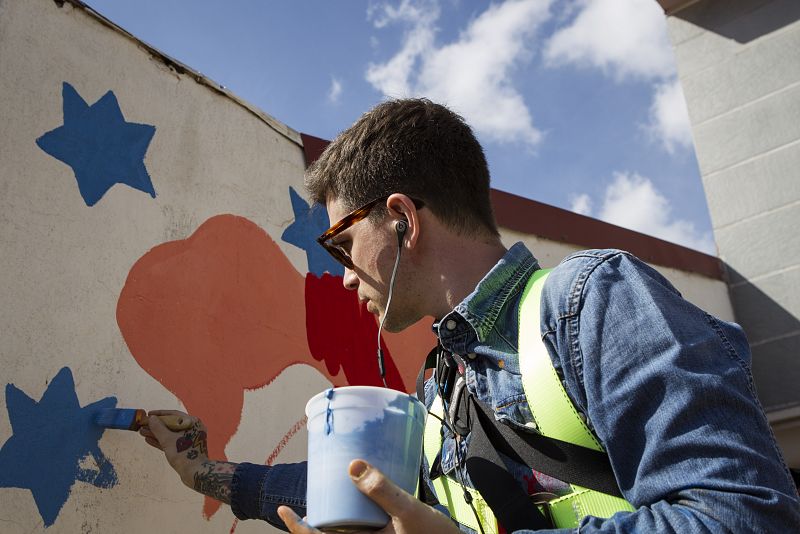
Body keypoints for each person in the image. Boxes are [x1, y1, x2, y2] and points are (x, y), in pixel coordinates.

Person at [141, 98, 800, 533]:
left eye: (341, 242)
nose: (342, 274)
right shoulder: (439, 389)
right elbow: (357, 490)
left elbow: (741, 515)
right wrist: (203, 471)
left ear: (399, 219)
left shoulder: (591, 303)